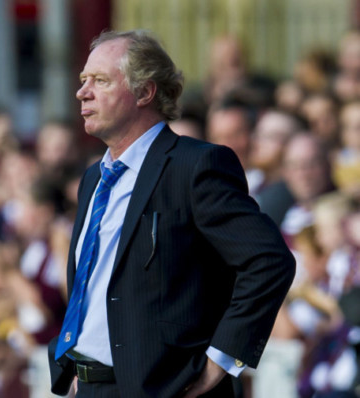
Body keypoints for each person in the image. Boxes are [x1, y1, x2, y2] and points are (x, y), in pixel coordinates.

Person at [48, 30, 295, 398]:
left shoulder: (195, 166)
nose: (83, 92)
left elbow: (268, 261)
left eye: (100, 81)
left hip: (168, 390)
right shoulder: (92, 178)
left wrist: (220, 361)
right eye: (84, 80)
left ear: (145, 92)